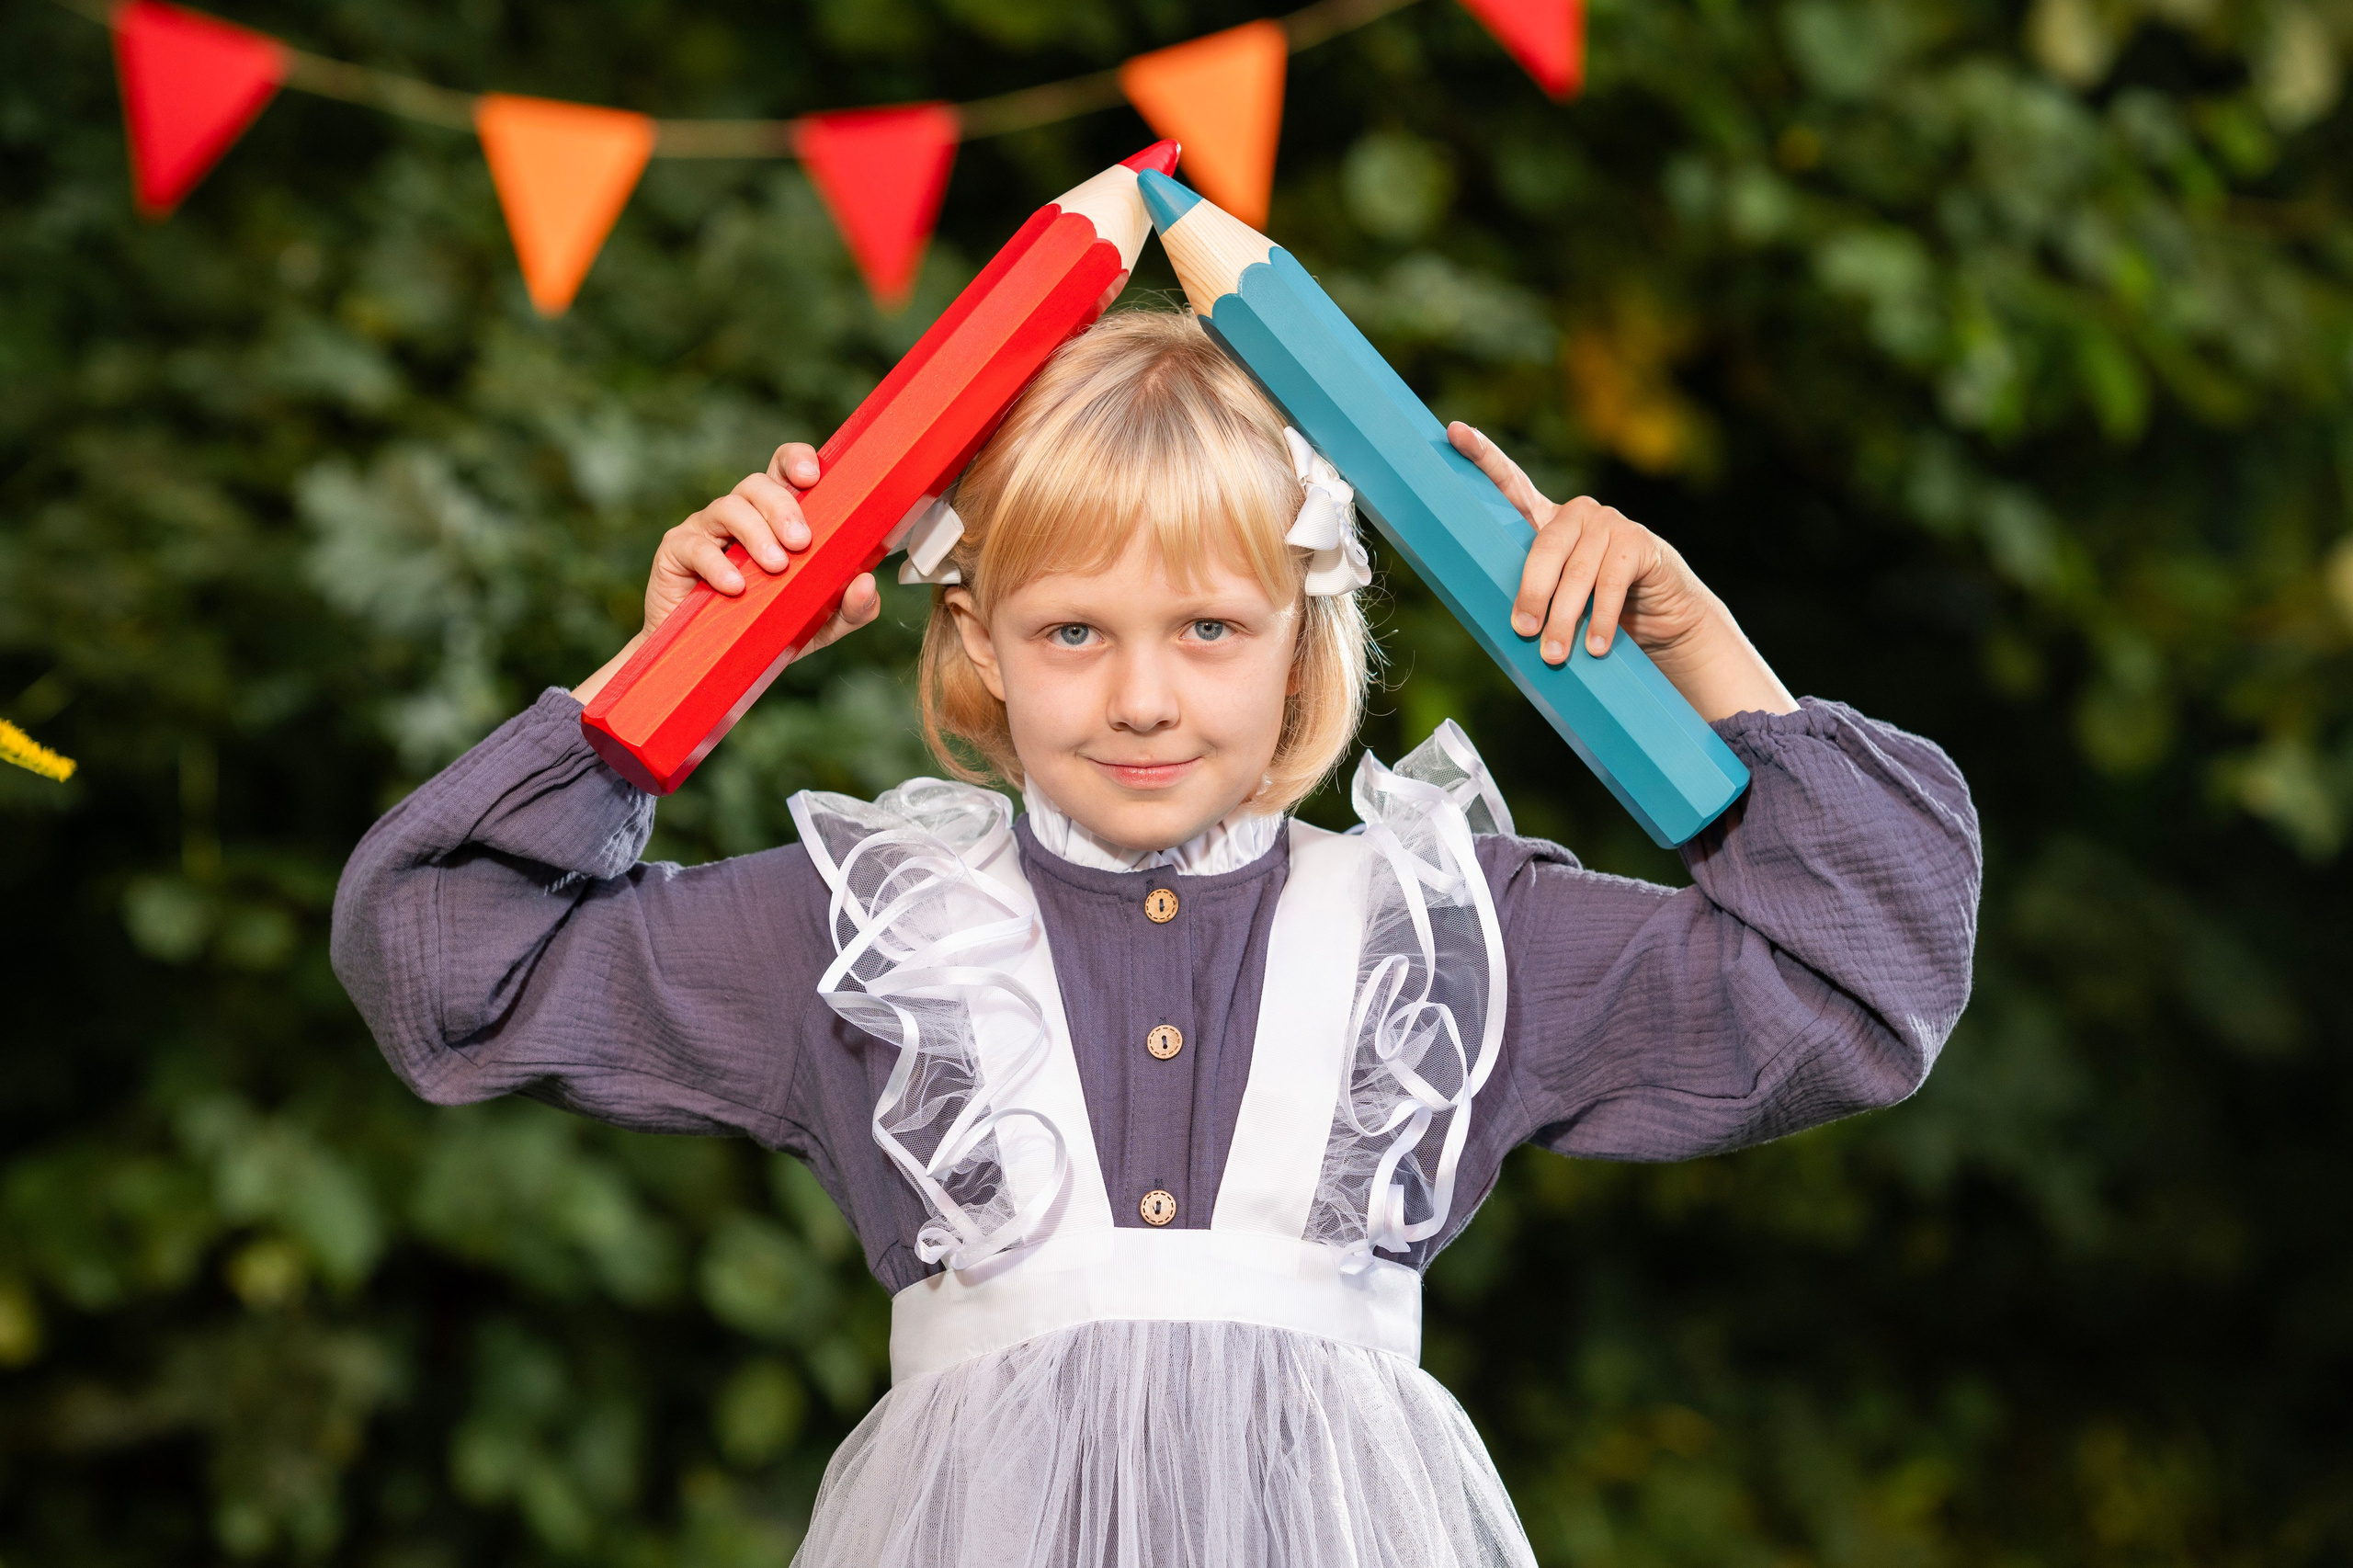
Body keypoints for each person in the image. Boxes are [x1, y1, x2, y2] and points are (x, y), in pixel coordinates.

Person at [333, 310, 1980, 1566]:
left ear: (1301, 638)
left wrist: (1700, 649)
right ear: (978, 637)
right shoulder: (874, 935)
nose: (1140, 696)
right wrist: (686, 669)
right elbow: (444, 956)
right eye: (1073, 630)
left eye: (1207, 626)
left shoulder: (1439, 940)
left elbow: (1862, 979)